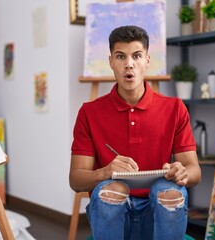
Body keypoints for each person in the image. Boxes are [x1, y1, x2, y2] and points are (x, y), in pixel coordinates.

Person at [69, 25, 201, 240]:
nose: (129, 64)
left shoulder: (175, 108)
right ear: (111, 61)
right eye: (120, 57)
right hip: (111, 212)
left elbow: (194, 171)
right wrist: (105, 171)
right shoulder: (89, 112)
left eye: (137, 56)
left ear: (147, 60)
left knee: (169, 190)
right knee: (111, 189)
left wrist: (182, 173)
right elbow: (76, 180)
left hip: (156, 213)